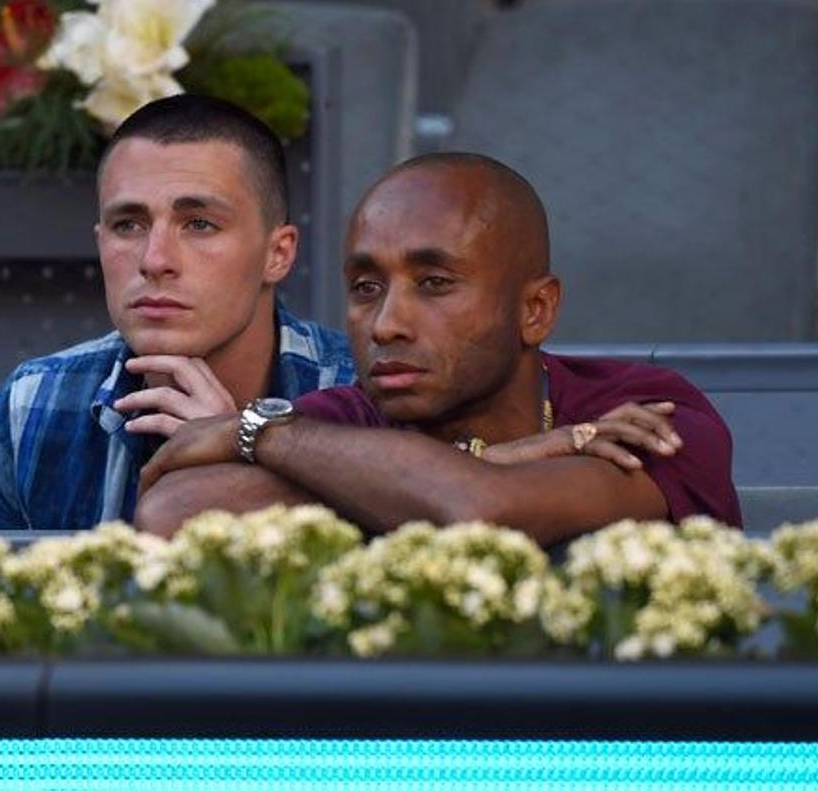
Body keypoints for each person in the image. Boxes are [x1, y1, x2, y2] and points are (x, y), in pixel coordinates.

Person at [135, 153, 742, 545]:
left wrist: (259, 432)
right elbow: (174, 514)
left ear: (535, 311)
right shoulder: (349, 419)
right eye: (366, 288)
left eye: (435, 284)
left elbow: (482, 512)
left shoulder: (645, 411)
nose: (387, 324)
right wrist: (514, 456)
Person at [0, 95, 356, 530]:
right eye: (128, 225)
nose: (154, 259)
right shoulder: (35, 401)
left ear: (277, 254)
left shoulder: (362, 396)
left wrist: (237, 463)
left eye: (199, 224)